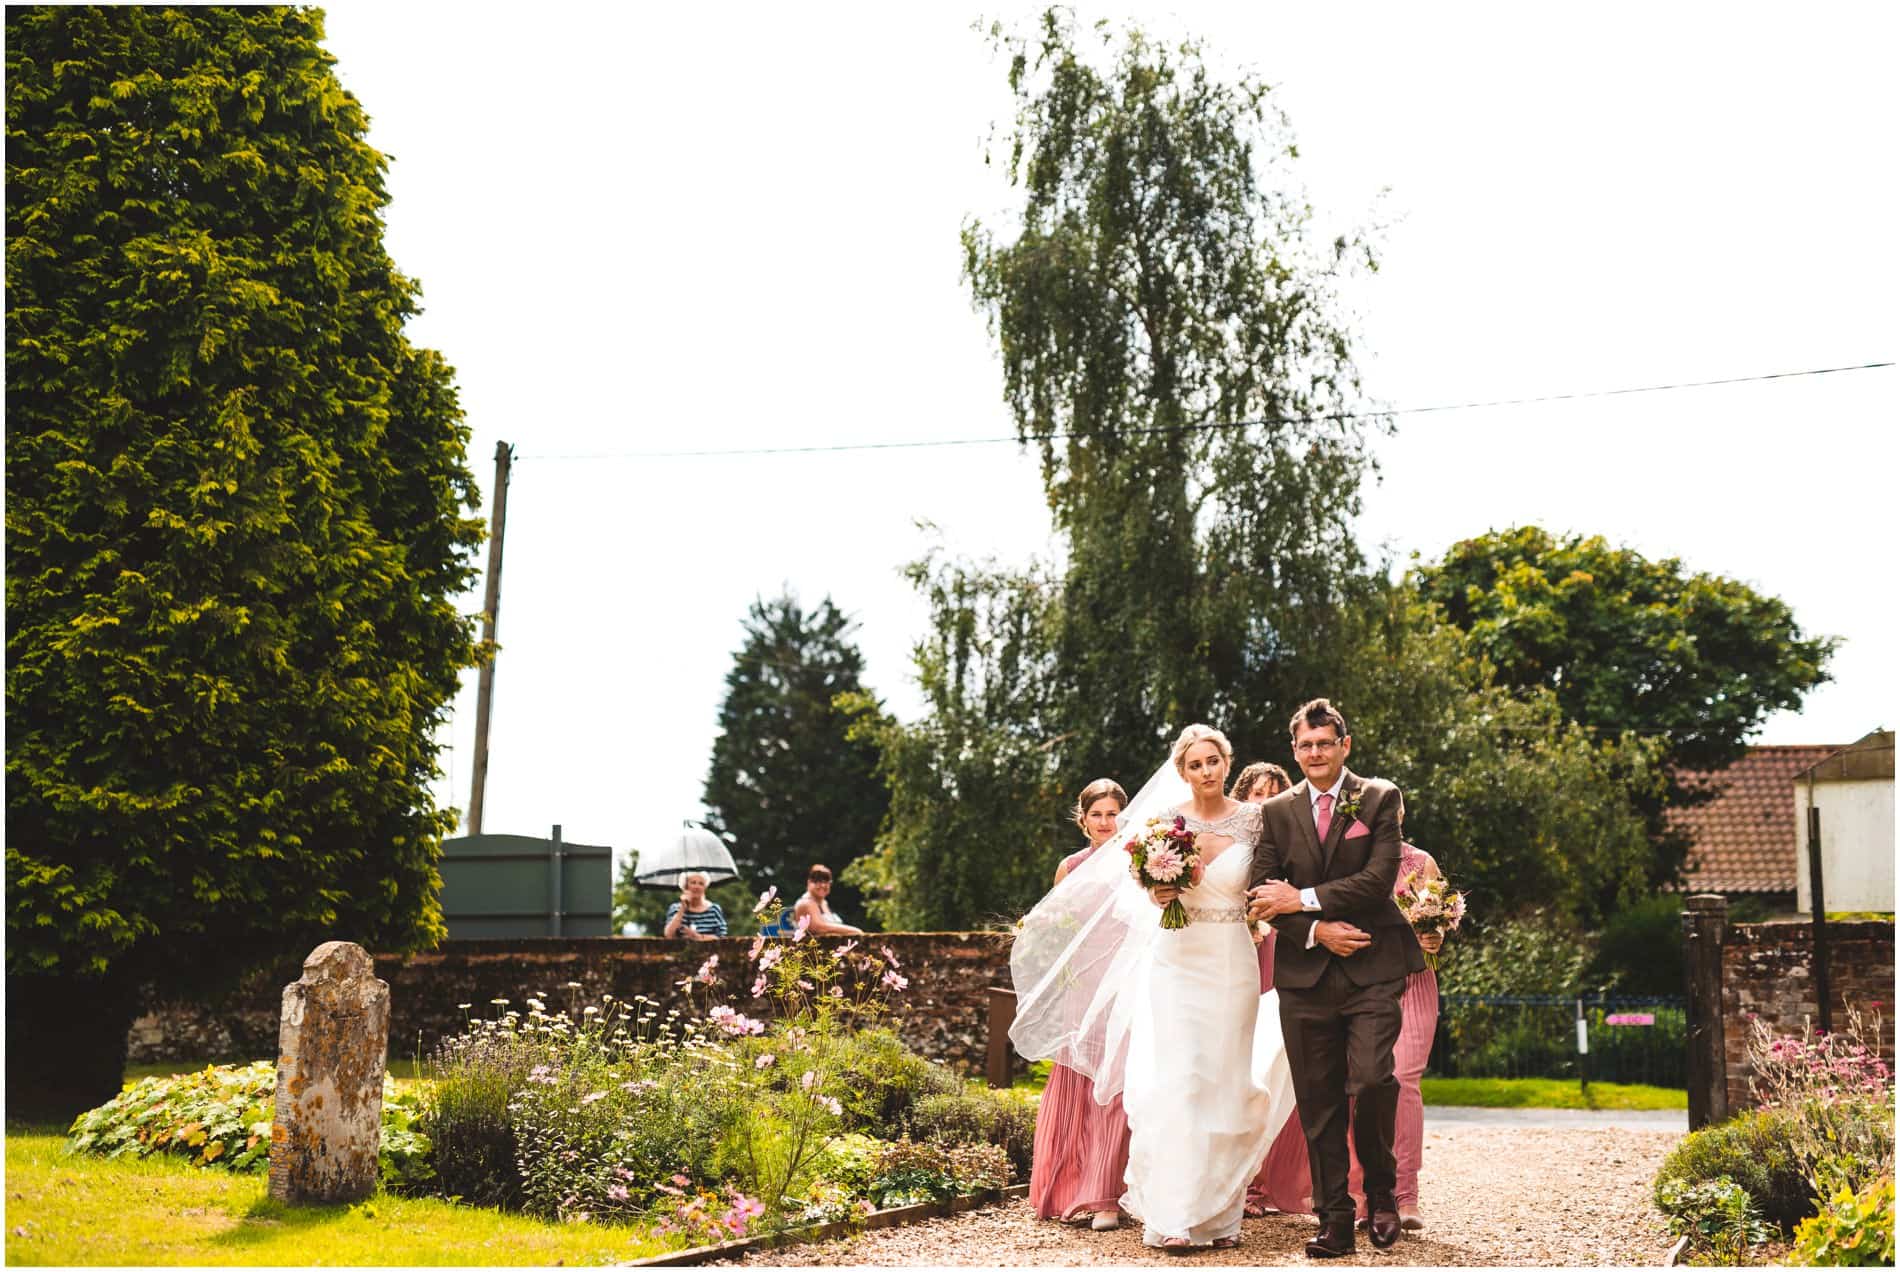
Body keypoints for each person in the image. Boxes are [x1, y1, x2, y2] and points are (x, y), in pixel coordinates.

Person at [1247, 698, 1425, 1258]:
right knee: (1317, 1100)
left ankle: (1381, 1191)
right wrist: (1316, 932)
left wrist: (1300, 898)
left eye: (1325, 743)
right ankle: (1335, 1218)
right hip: (1304, 976)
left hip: (1372, 967)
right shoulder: (1275, 812)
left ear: (1344, 746)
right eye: (1306, 744)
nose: (1315, 752)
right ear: (1293, 749)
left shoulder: (1378, 797)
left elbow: (1376, 881)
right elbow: (1259, 891)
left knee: (1372, 1079)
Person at [1029, 778, 1134, 1231]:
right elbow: (1052, 932)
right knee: (1079, 1083)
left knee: (1117, 1085)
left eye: (1113, 814)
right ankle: (1069, 1187)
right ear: (1083, 819)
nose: (1105, 822)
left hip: (1125, 986)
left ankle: (1108, 1192)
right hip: (1083, 988)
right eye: (1097, 814)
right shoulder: (1070, 868)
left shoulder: (1139, 863)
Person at [791, 864, 863, 936]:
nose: (822, 885)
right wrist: (856, 931)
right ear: (809, 882)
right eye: (817, 881)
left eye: (826, 881)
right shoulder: (805, 903)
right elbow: (818, 928)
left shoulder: (824, 903)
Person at [662, 871, 728, 940]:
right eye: (693, 883)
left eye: (701, 884)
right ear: (685, 887)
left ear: (705, 888)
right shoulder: (675, 908)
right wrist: (682, 909)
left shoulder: (714, 909)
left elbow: (721, 937)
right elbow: (669, 935)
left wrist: (697, 937)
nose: (697, 887)